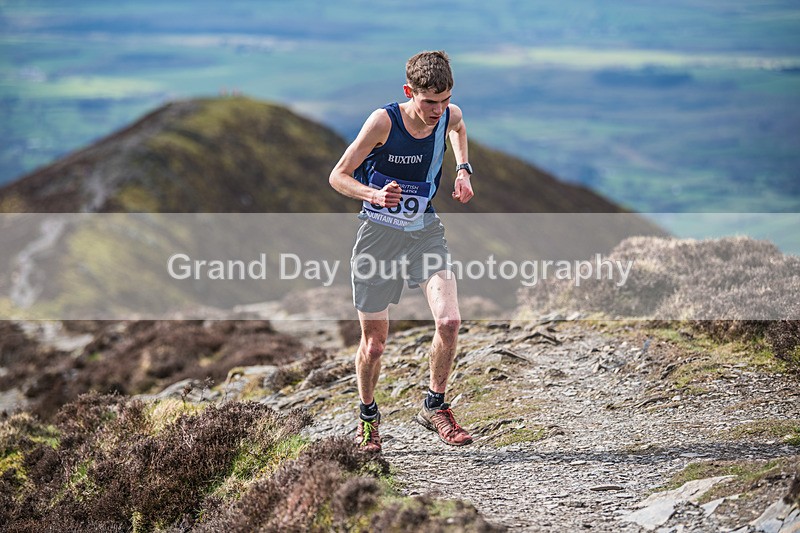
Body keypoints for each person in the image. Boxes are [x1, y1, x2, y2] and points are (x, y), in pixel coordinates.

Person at [329, 50, 475, 452]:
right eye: (429, 102)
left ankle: (435, 405)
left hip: (424, 231)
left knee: (449, 321)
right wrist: (374, 195)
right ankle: (368, 417)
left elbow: (458, 128)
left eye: (444, 100)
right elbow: (337, 176)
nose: (438, 110)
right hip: (377, 237)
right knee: (374, 345)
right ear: (410, 91)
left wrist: (463, 169)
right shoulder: (383, 122)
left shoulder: (448, 113)